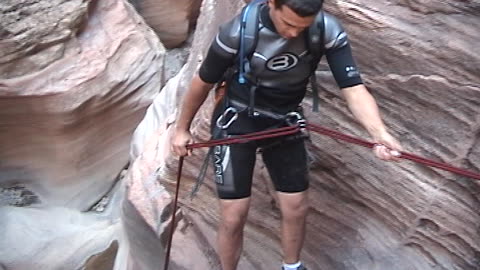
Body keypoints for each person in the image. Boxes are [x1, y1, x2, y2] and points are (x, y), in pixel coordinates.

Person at [171, 0, 402, 269]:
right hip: (237, 120)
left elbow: (352, 87)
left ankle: (292, 267)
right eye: (289, 24)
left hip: (285, 120)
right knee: (234, 214)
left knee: (296, 205)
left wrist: (379, 133)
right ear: (272, 4)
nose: (293, 33)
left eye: (301, 27)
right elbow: (203, 81)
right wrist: (181, 129)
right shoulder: (238, 32)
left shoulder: (325, 30)